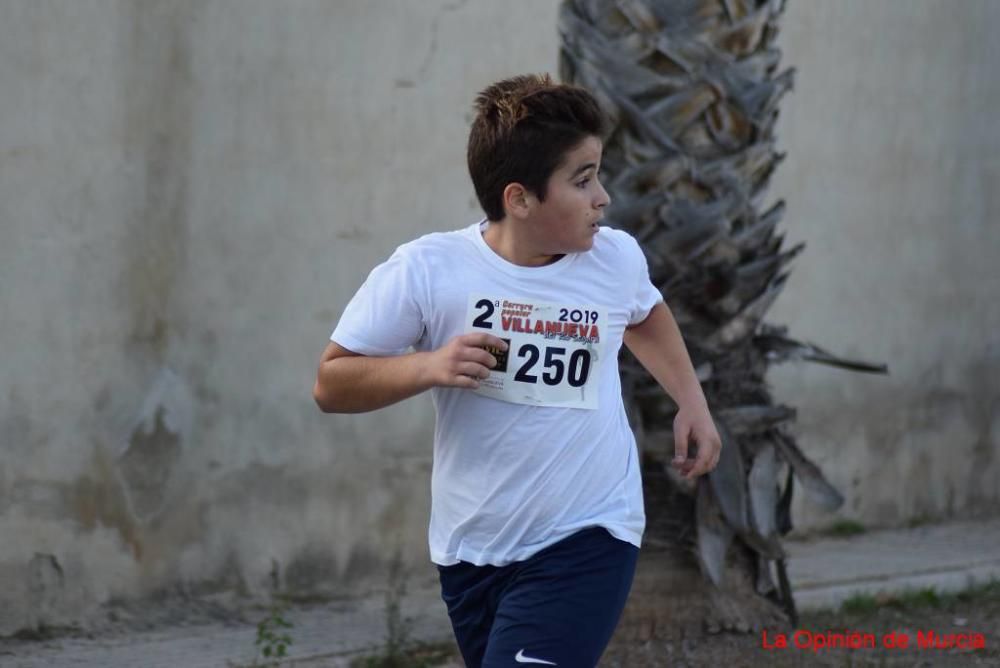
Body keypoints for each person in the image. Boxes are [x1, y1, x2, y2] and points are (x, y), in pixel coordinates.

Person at [313, 73, 721, 668]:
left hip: (590, 533)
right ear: (519, 199)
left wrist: (693, 401)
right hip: (470, 550)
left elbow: (645, 315)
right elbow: (331, 384)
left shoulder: (614, 258)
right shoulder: (429, 270)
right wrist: (430, 365)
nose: (603, 197)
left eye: (598, 174)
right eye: (582, 181)